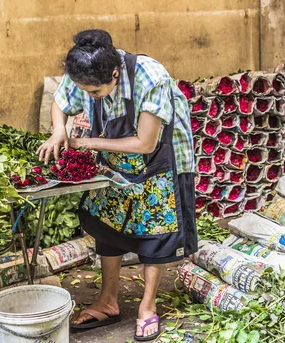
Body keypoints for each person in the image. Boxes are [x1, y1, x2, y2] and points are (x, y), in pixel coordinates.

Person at [37, 29, 197, 341]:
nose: (90, 96)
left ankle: (147, 307)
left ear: (113, 74)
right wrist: (59, 130)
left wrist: (85, 142)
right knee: (108, 223)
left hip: (160, 156)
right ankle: (107, 300)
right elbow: (61, 102)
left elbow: (145, 141)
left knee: (155, 231)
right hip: (114, 153)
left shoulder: (150, 78)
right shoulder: (84, 67)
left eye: (95, 93)